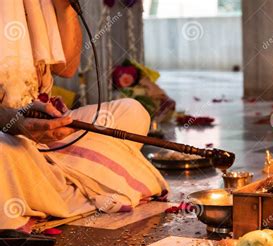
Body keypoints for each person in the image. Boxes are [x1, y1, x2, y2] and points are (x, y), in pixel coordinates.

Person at [0, 0, 168, 229]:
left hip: (41, 127)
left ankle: (50, 183)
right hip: (7, 134)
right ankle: (66, 185)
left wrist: (63, 7)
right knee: (4, 150)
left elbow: (67, 67)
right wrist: (14, 122)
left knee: (132, 113)